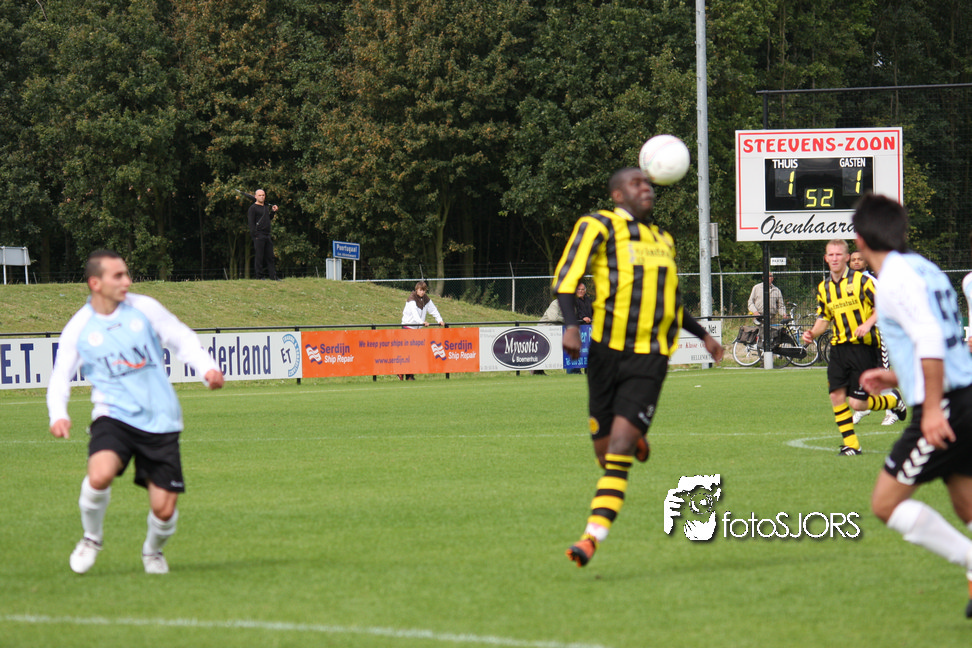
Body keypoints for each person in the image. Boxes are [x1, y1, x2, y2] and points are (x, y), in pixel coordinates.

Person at [552, 167, 723, 567]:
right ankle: (635, 437)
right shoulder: (598, 225)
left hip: (650, 357)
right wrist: (571, 325)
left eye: (648, 183)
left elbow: (670, 301)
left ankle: (591, 537)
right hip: (606, 353)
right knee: (604, 451)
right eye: (635, 183)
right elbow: (566, 277)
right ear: (617, 195)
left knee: (618, 451)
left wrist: (703, 334)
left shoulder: (663, 239)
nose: (646, 188)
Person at [47, 250, 225, 575]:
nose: (127, 281)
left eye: (126, 274)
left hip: (161, 418)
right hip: (113, 415)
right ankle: (91, 538)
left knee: (164, 509)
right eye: (118, 276)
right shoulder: (79, 328)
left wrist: (207, 368)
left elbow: (182, 338)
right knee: (99, 474)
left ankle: (152, 551)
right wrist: (58, 413)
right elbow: (60, 375)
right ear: (95, 283)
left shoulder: (145, 309)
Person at [853, 194, 972, 618]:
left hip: (945, 403)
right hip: (964, 393)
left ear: (860, 238)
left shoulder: (894, 279)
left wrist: (934, 409)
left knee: (886, 504)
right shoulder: (925, 268)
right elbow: (939, 337)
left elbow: (930, 339)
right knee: (965, 504)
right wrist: (894, 376)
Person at [801, 239, 907, 455]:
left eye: (838, 254)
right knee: (836, 396)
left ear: (847, 257)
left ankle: (893, 400)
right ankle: (852, 445)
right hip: (838, 348)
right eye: (831, 255)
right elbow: (824, 318)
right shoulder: (824, 288)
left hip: (863, 347)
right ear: (825, 258)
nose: (834, 258)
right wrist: (812, 333)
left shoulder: (863, 281)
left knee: (858, 404)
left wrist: (867, 324)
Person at [849, 250, 897, 426]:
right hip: (859, 336)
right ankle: (864, 407)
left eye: (860, 259)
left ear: (866, 262)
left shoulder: (871, 281)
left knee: (882, 372)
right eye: (853, 260)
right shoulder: (848, 283)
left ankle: (891, 411)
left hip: (878, 333)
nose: (856, 262)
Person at [399, 280, 444, 380]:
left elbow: (433, 310)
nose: (422, 292)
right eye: (420, 290)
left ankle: (408, 375)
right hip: (408, 327)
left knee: (415, 353)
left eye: (424, 290)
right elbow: (414, 313)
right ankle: (403, 372)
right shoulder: (411, 299)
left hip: (417, 330)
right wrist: (421, 322)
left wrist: (440, 320)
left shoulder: (426, 299)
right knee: (408, 352)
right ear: (416, 290)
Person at [247, 189, 279, 281]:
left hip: (267, 234)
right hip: (258, 235)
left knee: (270, 257)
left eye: (263, 195)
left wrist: (273, 212)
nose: (262, 197)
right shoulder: (253, 208)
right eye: (260, 195)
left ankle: (273, 276)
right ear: (255, 196)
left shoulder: (265, 207)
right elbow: (251, 223)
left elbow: (268, 218)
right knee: (259, 256)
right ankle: (259, 276)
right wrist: (255, 235)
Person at [533, 295, 565, 375]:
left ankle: (538, 372)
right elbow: (553, 318)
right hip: (544, 330)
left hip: (556, 331)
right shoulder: (555, 303)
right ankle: (536, 371)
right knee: (542, 352)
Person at [566, 283, 593, 374]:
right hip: (576, 328)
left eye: (582, 289)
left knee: (587, 350)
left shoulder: (589, 300)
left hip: (588, 329)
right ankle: (573, 370)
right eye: (579, 289)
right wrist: (583, 318)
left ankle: (588, 369)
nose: (581, 291)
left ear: (585, 291)